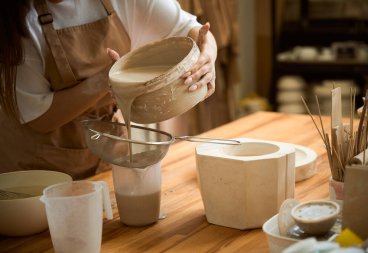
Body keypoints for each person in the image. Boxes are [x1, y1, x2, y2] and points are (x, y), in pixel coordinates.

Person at [0, 0, 217, 179]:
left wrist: (208, 55)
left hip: (103, 146)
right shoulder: (19, 22)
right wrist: (104, 80)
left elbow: (194, 30)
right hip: (39, 165)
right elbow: (40, 118)